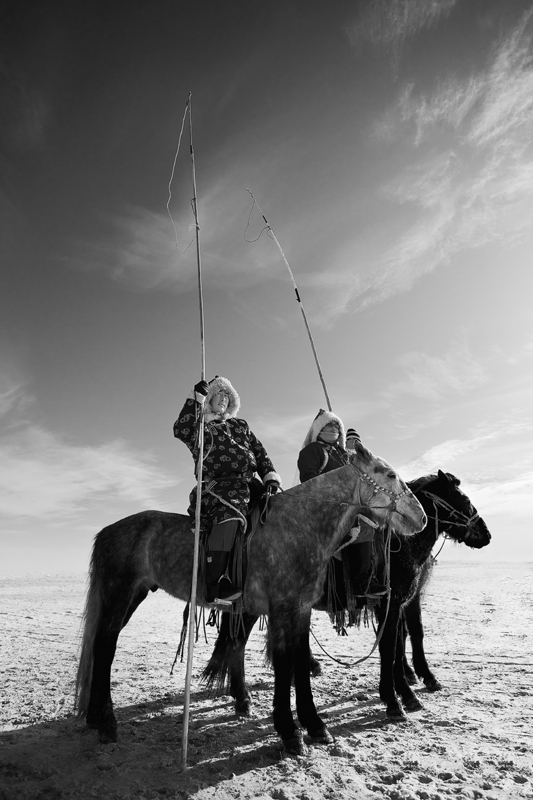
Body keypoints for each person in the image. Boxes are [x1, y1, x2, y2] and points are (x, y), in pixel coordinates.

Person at [174, 376, 282, 605]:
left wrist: (270, 476)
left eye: (227, 395)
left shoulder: (241, 425)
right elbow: (181, 429)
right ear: (209, 399)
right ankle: (216, 582)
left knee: (280, 514)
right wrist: (195, 401)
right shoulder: (200, 428)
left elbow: (260, 452)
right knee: (229, 515)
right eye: (218, 394)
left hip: (250, 485)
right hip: (218, 488)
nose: (223, 398)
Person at [297, 410, 386, 598]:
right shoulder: (311, 451)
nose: (333, 429)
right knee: (360, 525)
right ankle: (360, 580)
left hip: (347, 503)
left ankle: (368, 578)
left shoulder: (342, 454)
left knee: (373, 519)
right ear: (319, 429)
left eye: (337, 426)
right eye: (329, 425)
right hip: (323, 503)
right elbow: (309, 479)